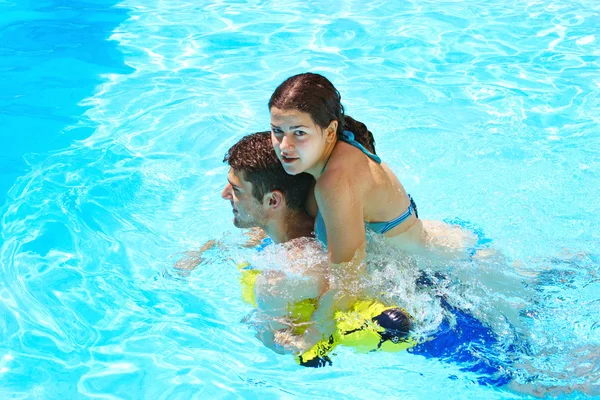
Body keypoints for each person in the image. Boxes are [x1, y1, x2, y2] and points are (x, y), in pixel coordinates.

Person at [268, 73, 479, 305]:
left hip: (442, 273)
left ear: (330, 132)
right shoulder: (319, 157)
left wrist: (314, 332)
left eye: (299, 133)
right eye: (277, 131)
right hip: (439, 244)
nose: (284, 146)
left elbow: (348, 281)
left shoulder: (335, 182)